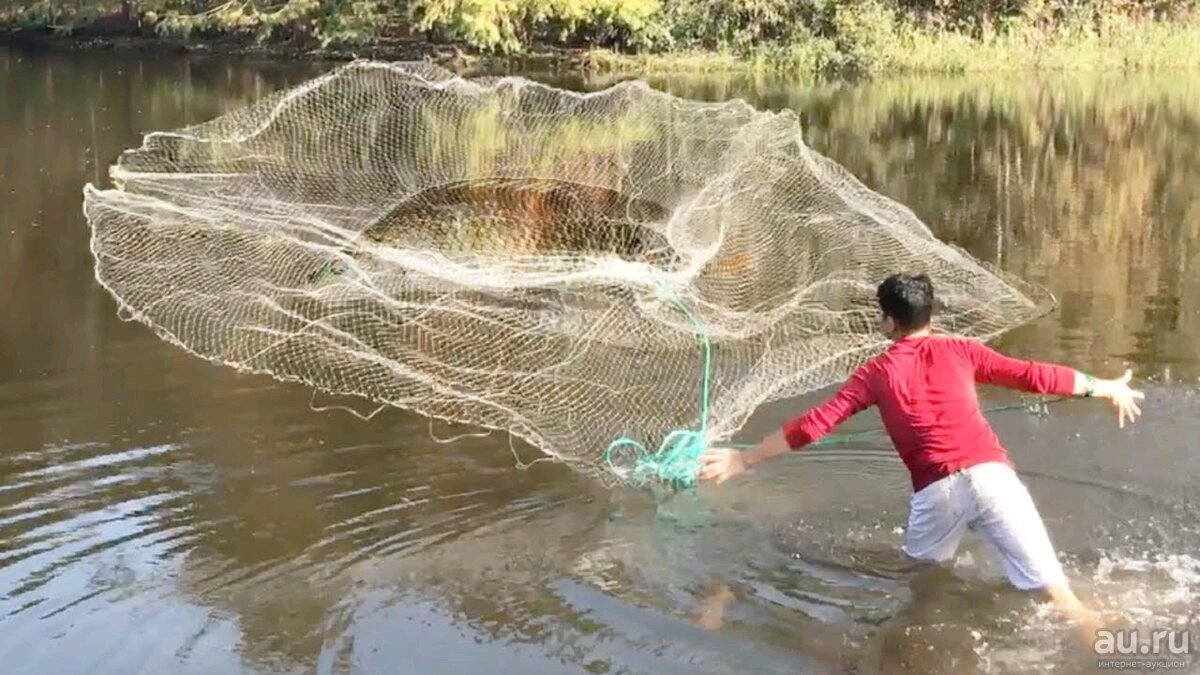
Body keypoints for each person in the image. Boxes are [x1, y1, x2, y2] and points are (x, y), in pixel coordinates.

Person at [697, 272, 1145, 623]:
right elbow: (1034, 376)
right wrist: (1104, 387)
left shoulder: (875, 373)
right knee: (1063, 600)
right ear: (929, 315)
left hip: (938, 495)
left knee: (920, 583)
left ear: (889, 321)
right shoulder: (964, 350)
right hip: (994, 479)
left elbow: (813, 425)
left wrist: (743, 458)